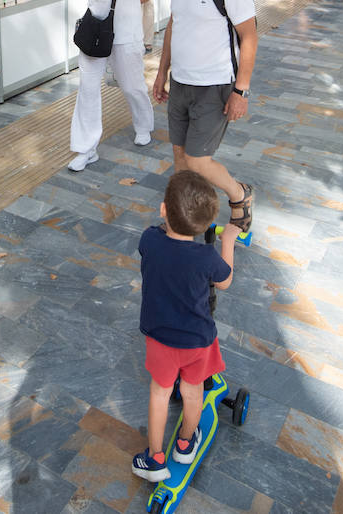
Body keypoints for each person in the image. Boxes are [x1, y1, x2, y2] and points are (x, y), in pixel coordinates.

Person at [152, 0, 257, 231]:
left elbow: (249, 37)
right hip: (181, 84)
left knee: (197, 160)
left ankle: (239, 194)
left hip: (214, 87)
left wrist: (241, 91)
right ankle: (184, 221)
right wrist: (162, 72)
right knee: (180, 158)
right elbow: (175, 24)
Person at [131, 171, 241, 483]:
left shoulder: (149, 240)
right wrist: (228, 240)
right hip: (197, 342)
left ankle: (154, 459)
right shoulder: (206, 257)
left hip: (160, 339)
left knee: (159, 393)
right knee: (193, 392)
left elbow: (160, 240)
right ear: (206, 225)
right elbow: (225, 280)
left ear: (163, 209)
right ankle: (184, 443)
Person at [69, 0, 155, 171]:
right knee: (87, 90)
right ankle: (86, 148)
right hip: (94, 34)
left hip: (125, 35)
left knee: (131, 86)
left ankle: (144, 125)